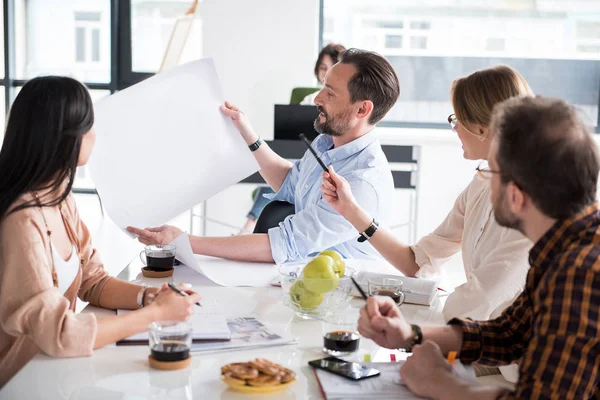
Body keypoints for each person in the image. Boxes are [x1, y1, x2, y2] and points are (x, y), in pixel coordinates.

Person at [357, 96, 600, 399]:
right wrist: (411, 334)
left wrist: (440, 383)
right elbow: (510, 334)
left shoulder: (580, 273)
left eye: (491, 171)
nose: (484, 179)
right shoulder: (565, 249)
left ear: (516, 196)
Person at [0, 77, 201, 387]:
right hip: (23, 379)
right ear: (67, 137)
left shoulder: (58, 198)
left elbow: (93, 282)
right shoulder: (21, 221)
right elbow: (60, 335)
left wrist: (148, 297)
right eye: (88, 125)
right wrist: (156, 314)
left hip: (55, 371)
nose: (94, 133)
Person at [128, 48, 400, 265]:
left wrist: (185, 242)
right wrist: (247, 134)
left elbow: (283, 244)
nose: (317, 98)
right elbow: (292, 183)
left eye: (330, 92)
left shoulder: (361, 183)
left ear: (362, 109)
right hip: (303, 278)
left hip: (342, 297)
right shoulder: (327, 141)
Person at [322, 65, 533, 322]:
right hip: (474, 338)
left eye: (458, 118)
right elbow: (417, 262)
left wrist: (412, 330)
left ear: (482, 127)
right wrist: (351, 210)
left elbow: (480, 300)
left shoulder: (534, 205)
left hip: (509, 355)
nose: (454, 128)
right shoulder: (481, 185)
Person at [238, 43, 346, 235]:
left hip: (323, 174)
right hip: (299, 160)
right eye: (322, 68)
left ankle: (248, 224)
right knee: (274, 181)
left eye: (331, 67)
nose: (325, 73)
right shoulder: (311, 101)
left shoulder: (341, 121)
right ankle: (249, 224)